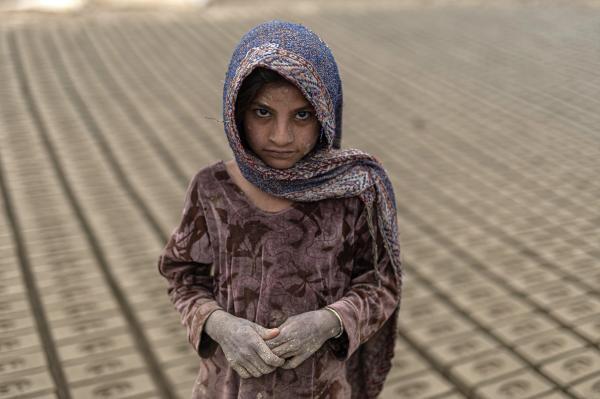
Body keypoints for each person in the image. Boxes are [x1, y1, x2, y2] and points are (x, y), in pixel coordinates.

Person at [157, 20, 402, 399]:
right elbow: (182, 276)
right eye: (263, 113)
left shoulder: (351, 193)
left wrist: (328, 322)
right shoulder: (212, 190)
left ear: (325, 114)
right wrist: (220, 326)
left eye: (302, 115)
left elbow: (380, 281)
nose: (281, 136)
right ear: (237, 113)